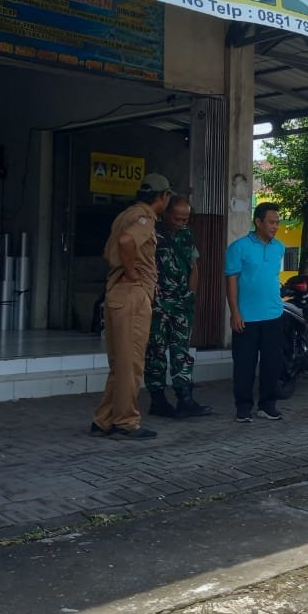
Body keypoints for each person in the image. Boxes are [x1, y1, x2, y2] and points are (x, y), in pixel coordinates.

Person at [90, 173, 173, 440]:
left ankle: (104, 420)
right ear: (163, 197)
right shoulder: (144, 217)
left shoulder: (124, 215)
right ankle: (126, 422)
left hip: (117, 294)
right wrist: (134, 274)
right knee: (132, 364)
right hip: (132, 295)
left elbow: (108, 251)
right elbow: (127, 242)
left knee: (120, 364)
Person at [146, 195, 212, 419]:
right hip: (158, 303)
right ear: (165, 215)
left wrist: (191, 293)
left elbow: (193, 266)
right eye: (178, 218)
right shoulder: (152, 233)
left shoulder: (187, 235)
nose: (182, 223)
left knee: (181, 352)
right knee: (155, 351)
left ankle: (185, 399)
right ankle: (157, 400)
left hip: (182, 303)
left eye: (186, 219)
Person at [226, 202, 286, 422]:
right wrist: (235, 312)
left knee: (272, 364)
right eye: (271, 222)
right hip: (246, 317)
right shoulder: (238, 247)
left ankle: (267, 405)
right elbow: (231, 280)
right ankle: (243, 407)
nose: (275, 226)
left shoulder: (279, 247)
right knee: (244, 365)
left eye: (277, 222)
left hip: (273, 315)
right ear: (258, 222)